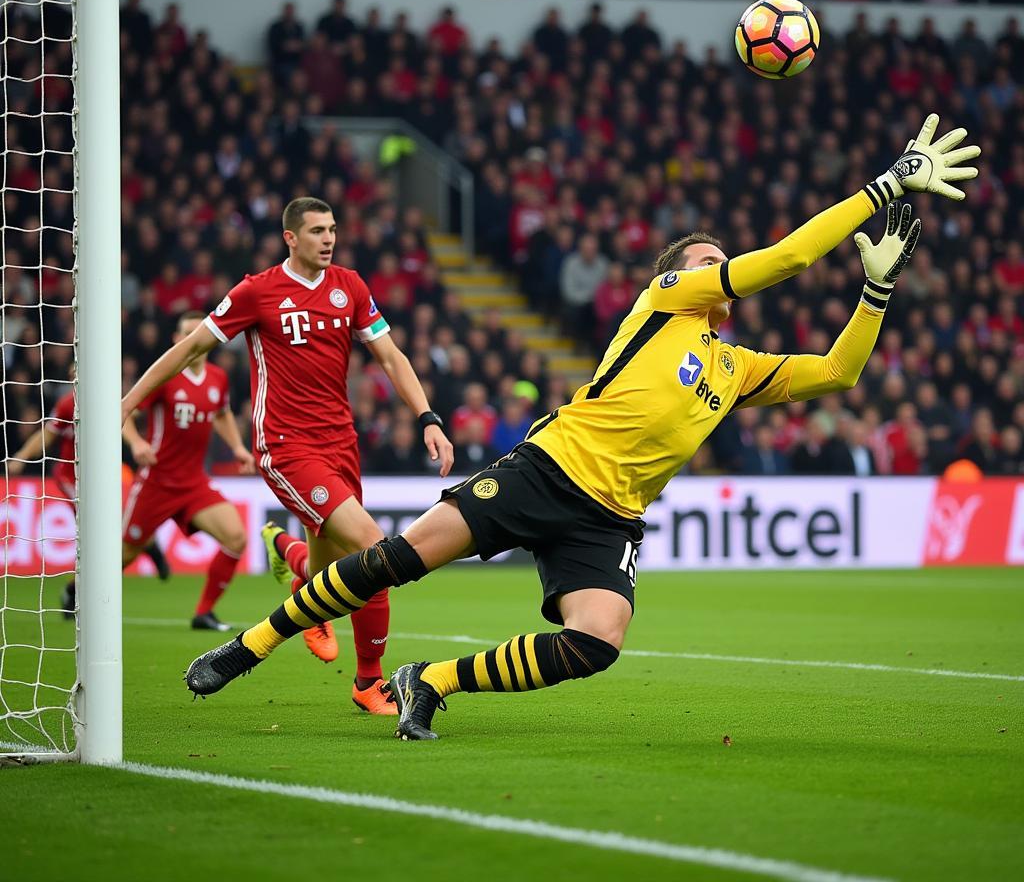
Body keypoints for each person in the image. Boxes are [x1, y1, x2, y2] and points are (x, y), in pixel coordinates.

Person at [184, 115, 978, 740]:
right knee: (399, 558)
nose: (717, 266)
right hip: (549, 467)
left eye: (718, 261)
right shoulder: (666, 299)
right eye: (708, 258)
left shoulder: (736, 368)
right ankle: (247, 645)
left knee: (595, 642)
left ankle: (429, 682)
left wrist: (876, 292)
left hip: (611, 515)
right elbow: (787, 260)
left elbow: (838, 372)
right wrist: (882, 187)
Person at [122, 197, 454, 715]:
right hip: (286, 448)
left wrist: (427, 417)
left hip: (341, 444)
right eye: (318, 230)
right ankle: (369, 683)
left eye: (334, 229)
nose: (329, 239)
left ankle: (289, 558)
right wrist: (125, 404)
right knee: (374, 550)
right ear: (291, 238)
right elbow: (189, 349)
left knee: (336, 575)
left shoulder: (350, 286)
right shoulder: (257, 291)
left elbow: (390, 355)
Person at [119, 310, 255, 631]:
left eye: (200, 335)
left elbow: (221, 414)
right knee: (124, 554)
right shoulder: (165, 376)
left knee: (236, 537)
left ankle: (204, 613)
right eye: (188, 334)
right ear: (177, 340)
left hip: (194, 482)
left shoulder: (217, 378)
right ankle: (74, 591)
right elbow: (126, 413)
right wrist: (137, 443)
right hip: (157, 481)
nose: (195, 341)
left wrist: (237, 447)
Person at [7, 386, 172, 614]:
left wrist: (134, 439)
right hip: (72, 476)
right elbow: (48, 434)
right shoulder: (68, 403)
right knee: (99, 533)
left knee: (120, 524)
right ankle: (78, 591)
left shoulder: (109, 398)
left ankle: (147, 547)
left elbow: (124, 419)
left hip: (102, 476)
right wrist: (21, 457)